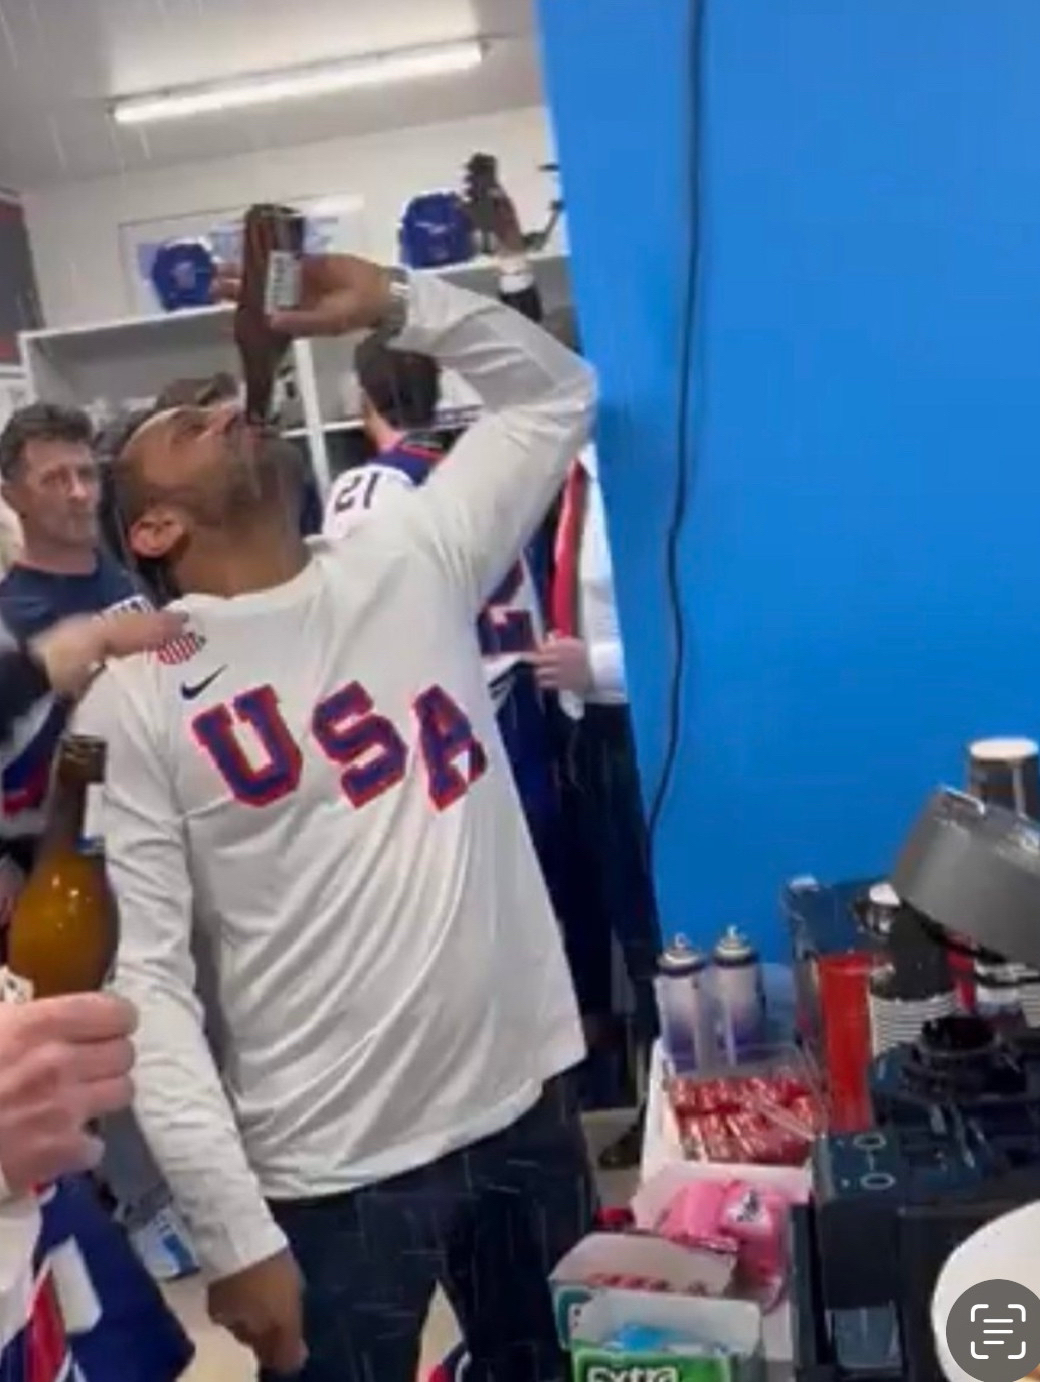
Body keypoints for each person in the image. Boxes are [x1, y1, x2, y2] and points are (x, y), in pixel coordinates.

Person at [78, 251, 597, 1382]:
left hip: (522, 1105)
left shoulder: (411, 557)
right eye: (188, 426)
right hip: (332, 1170)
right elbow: (147, 983)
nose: (227, 412)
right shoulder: (138, 698)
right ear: (154, 528)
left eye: (222, 403)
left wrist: (403, 304)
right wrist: (233, 1231)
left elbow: (555, 395)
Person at [489, 187, 661, 1170]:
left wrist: (592, 665)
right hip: (576, 733)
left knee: (648, 921)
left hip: (629, 728)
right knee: (611, 919)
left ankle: (664, 1096)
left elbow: (687, 635)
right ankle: (641, 1087)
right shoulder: (566, 482)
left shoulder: (635, 493)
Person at [323, 337, 562, 910]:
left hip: (445, 710)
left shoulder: (370, 486)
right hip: (523, 698)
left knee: (470, 899)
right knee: (543, 887)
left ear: (364, 399)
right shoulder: (482, 476)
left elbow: (357, 618)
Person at [0, 403, 148, 873]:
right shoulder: (9, 619)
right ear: (12, 496)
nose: (79, 493)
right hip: (69, 855)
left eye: (86, 474)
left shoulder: (137, 579)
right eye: (54, 480)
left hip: (164, 824)